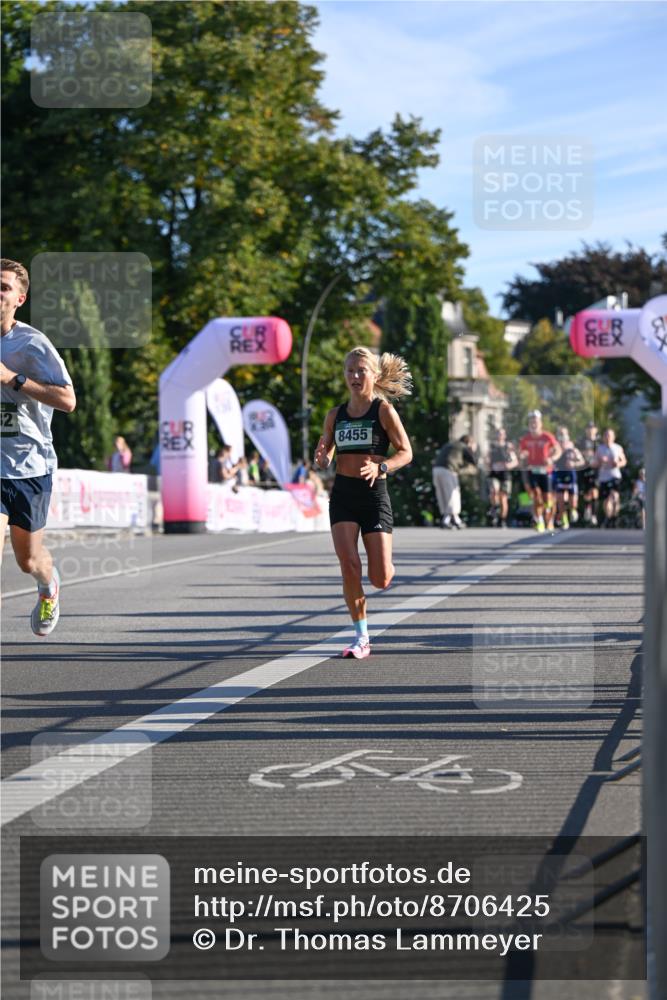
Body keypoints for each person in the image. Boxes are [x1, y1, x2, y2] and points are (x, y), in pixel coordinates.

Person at [314, 346, 413, 659]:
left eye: (361, 371)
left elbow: (406, 452)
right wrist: (322, 457)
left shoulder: (383, 411)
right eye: (350, 371)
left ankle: (387, 565)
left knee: (380, 579)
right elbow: (327, 452)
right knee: (349, 566)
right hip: (343, 494)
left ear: (373, 375)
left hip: (373, 495)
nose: (355, 377)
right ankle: (361, 637)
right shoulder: (335, 415)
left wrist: (381, 466)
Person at [0, 258, 76, 636]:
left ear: (19, 298)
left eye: (3, 288)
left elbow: (67, 400)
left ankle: (49, 587)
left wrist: (12, 378)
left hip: (29, 465)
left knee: (27, 560)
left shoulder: (31, 343)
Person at [518, 410, 561, 532]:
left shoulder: (547, 436)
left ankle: (550, 518)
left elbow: (558, 450)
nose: (533, 424)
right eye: (531, 422)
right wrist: (522, 455)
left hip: (546, 470)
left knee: (547, 499)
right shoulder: (525, 439)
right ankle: (540, 520)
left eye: (536, 422)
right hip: (532, 470)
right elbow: (520, 452)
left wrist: (552, 458)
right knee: (536, 496)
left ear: (540, 423)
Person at [432, 435, 477, 529]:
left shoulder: (450, 444)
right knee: (453, 495)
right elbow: (473, 461)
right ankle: (448, 520)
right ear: (468, 442)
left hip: (436, 469)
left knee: (442, 495)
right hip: (449, 470)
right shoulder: (463, 446)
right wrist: (472, 450)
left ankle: (453, 519)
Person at [593, 428, 627, 528]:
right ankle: (609, 517)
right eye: (606, 436)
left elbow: (624, 461)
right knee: (607, 500)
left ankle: (615, 516)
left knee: (615, 496)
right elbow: (594, 463)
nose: (608, 438)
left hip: (615, 475)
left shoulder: (617, 448)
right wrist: (601, 461)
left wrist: (618, 464)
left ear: (613, 437)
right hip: (604, 477)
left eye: (610, 436)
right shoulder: (600, 449)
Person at [552, 426, 585, 529]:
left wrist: (574, 464)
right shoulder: (554, 447)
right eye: (560, 434)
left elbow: (582, 461)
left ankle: (573, 510)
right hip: (559, 474)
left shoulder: (572, 448)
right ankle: (563, 518)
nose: (562, 436)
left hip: (570, 475)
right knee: (560, 499)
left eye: (564, 434)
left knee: (572, 500)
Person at [486, 427, 517, 528]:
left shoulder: (508, 447)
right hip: (494, 473)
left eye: (501, 434)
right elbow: (487, 459)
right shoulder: (492, 446)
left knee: (503, 498)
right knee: (494, 490)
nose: (500, 435)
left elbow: (515, 461)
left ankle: (502, 519)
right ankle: (495, 507)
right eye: (498, 433)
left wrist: (509, 465)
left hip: (505, 475)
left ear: (505, 436)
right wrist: (488, 465)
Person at [578, 421, 600, 526]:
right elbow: (578, 452)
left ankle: (594, 515)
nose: (591, 430)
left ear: (596, 430)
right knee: (587, 492)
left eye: (593, 428)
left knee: (595, 491)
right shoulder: (582, 441)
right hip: (585, 469)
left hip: (596, 469)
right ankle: (587, 507)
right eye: (589, 428)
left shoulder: (599, 442)